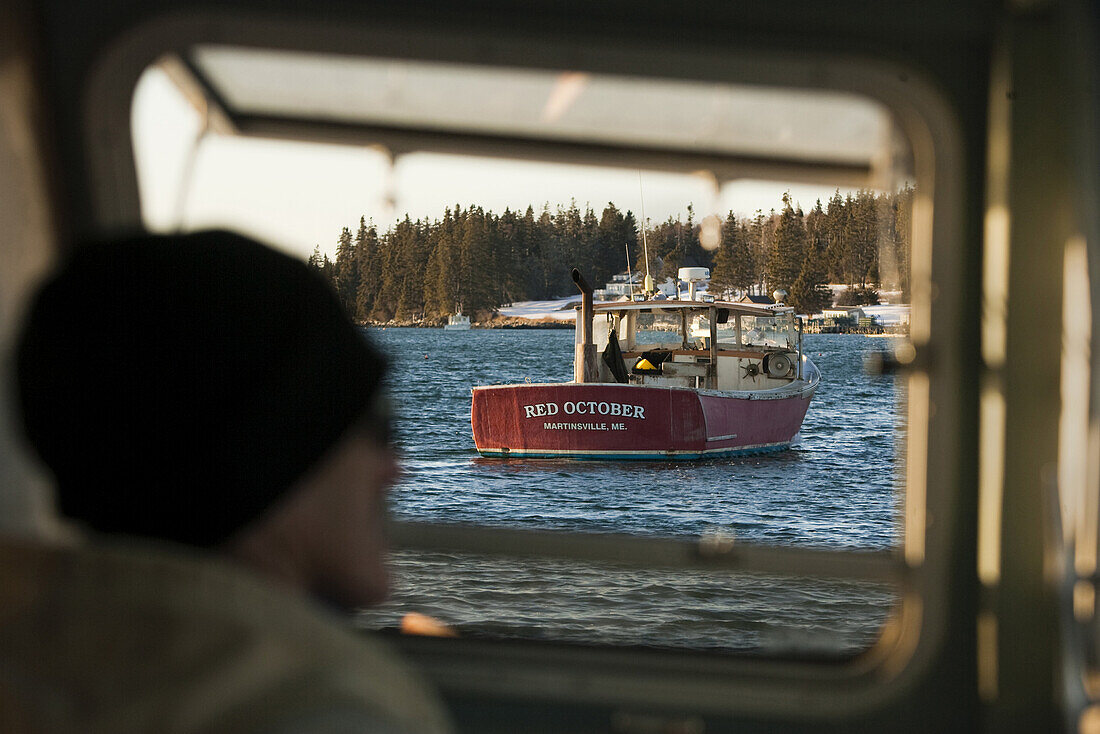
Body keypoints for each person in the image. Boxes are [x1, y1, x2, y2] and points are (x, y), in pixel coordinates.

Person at [0, 231, 452, 734]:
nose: (396, 468)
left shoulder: (35, 656)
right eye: (376, 426)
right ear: (271, 451)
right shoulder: (325, 709)